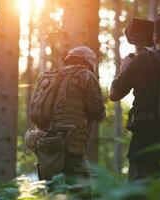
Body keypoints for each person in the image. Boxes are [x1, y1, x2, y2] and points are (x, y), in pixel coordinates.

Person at [109, 15, 160, 180]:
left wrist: (125, 68)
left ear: (155, 36)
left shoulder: (142, 60)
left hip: (144, 146)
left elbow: (114, 94)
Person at [26, 46, 105, 182]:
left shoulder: (49, 77)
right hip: (69, 146)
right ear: (89, 62)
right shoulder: (85, 75)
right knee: (80, 193)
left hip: (45, 144)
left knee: (52, 192)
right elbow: (98, 112)